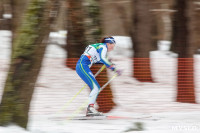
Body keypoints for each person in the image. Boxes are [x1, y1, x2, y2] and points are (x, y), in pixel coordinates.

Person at [76, 36, 121, 116]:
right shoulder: (103, 47)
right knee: (96, 87)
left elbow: (97, 59)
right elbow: (103, 59)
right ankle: (90, 109)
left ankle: (90, 108)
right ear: (108, 43)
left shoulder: (99, 46)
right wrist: (113, 68)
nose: (112, 48)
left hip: (83, 66)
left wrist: (108, 63)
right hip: (83, 66)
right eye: (112, 46)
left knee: (96, 87)